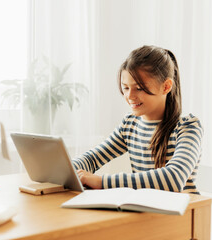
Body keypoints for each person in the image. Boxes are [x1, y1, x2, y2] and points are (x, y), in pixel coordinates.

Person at [72, 45, 202, 194]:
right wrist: (69, 170)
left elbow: (173, 178)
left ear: (166, 87)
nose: (130, 96)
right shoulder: (130, 124)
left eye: (139, 88)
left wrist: (102, 182)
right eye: (126, 88)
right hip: (145, 211)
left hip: (182, 215)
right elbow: (93, 158)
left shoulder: (188, 127)